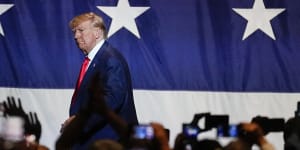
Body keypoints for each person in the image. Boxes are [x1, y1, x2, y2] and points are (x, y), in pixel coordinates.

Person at [61, 12, 138, 149]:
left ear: (97, 32)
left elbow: (111, 100)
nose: (76, 36)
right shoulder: (97, 59)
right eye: (74, 32)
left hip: (108, 141)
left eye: (81, 30)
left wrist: (78, 122)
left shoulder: (110, 59)